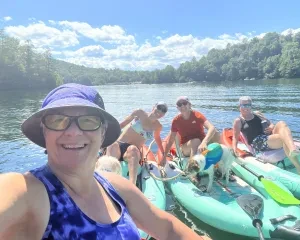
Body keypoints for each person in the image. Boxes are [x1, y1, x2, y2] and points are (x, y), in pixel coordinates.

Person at [0, 83, 209, 240]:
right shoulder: (26, 191)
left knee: (135, 151)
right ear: (44, 131)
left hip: (131, 154)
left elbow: (168, 228)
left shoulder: (115, 186)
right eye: (57, 120)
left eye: (88, 121)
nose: (73, 132)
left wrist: (162, 156)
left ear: (102, 133)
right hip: (122, 146)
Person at [232, 96, 300, 177]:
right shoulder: (238, 121)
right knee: (282, 138)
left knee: (282, 123)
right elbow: (235, 137)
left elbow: (271, 123)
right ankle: (299, 168)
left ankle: (292, 149)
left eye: (248, 105)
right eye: (243, 105)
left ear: (251, 106)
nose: (245, 108)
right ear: (239, 107)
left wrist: (271, 126)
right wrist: (234, 149)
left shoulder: (257, 114)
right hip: (257, 142)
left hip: (268, 137)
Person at [105, 102, 168, 184]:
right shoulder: (140, 113)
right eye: (159, 107)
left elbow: (157, 138)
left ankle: (132, 185)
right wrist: (106, 135)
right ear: (154, 107)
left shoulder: (158, 126)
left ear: (164, 115)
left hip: (132, 151)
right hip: (119, 144)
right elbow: (123, 124)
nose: (160, 111)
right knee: (113, 145)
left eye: (163, 110)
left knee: (133, 149)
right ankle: (107, 179)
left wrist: (163, 154)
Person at [161, 96, 220, 166]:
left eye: (184, 103)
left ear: (189, 105)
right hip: (186, 148)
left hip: (201, 144)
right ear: (177, 108)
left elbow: (211, 128)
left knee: (216, 133)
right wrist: (164, 157)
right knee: (195, 141)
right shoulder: (176, 121)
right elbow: (171, 140)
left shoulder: (197, 115)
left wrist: (204, 142)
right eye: (179, 104)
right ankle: (191, 167)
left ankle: (217, 158)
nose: (182, 105)